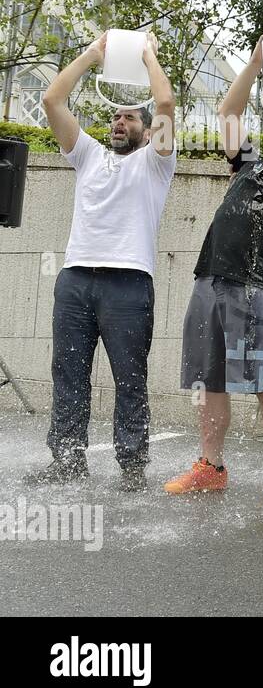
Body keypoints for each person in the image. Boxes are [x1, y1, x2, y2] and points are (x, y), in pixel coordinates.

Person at [166, 32, 263, 507]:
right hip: (209, 280)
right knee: (209, 378)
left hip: (259, 290)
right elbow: (229, 115)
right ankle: (211, 466)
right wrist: (257, 60)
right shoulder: (248, 166)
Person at [23, 31, 176, 492]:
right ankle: (67, 459)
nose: (118, 121)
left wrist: (147, 55)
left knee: (130, 376)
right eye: (114, 116)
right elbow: (52, 99)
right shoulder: (87, 154)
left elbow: (165, 101)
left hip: (128, 284)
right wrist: (93, 54)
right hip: (74, 280)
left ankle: (132, 466)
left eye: (129, 116)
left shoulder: (156, 162)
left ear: (146, 131)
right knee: (68, 371)